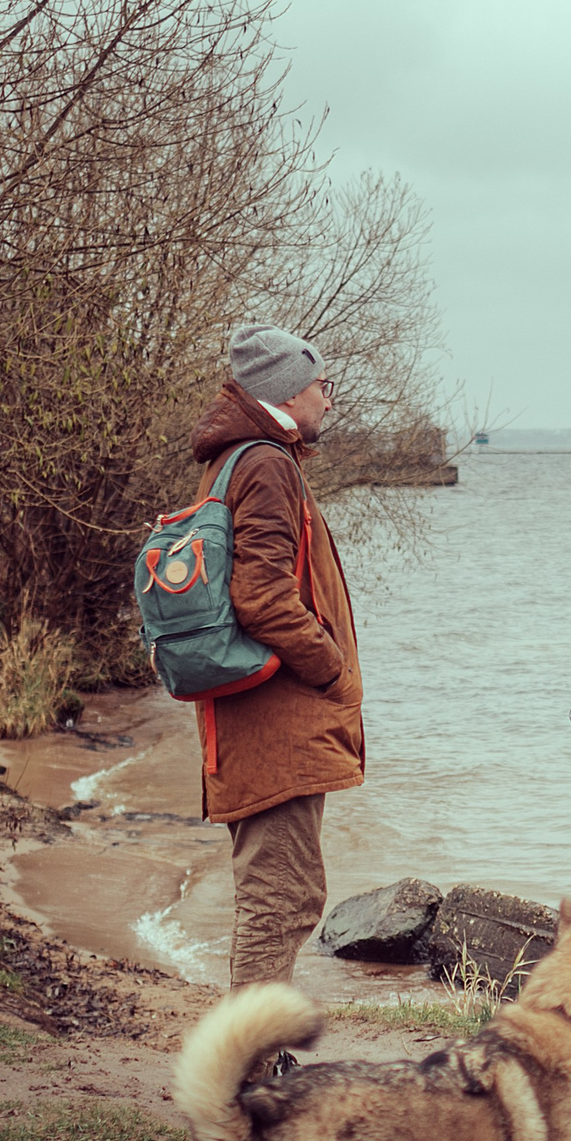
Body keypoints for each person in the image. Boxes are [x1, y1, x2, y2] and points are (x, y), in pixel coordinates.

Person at [190, 324, 364, 990]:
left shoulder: (246, 458)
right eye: (323, 386)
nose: (329, 400)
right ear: (289, 392)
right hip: (275, 727)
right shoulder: (264, 463)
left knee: (285, 895)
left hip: (261, 724)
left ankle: (259, 1058)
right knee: (279, 899)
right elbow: (261, 596)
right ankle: (251, 1071)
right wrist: (330, 668)